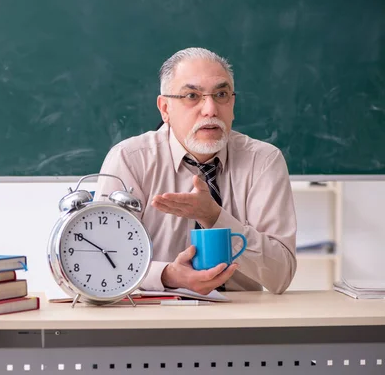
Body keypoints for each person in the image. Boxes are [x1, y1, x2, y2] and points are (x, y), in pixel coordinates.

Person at [94, 47, 297, 295]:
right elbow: (102, 262)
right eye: (192, 96)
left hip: (242, 318)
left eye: (221, 94)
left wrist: (214, 216)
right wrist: (167, 275)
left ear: (232, 103)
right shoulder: (130, 160)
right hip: (154, 315)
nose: (210, 109)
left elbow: (281, 275)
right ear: (165, 108)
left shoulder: (263, 161)